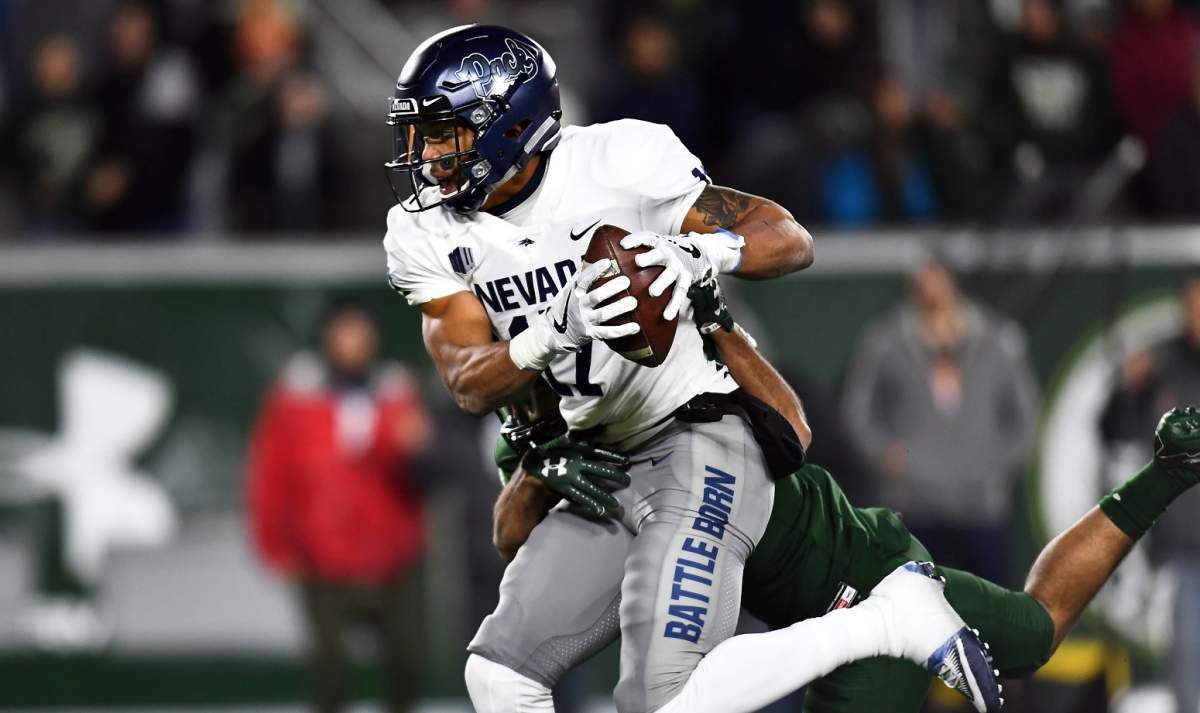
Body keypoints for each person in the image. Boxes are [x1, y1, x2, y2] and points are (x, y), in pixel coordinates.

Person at [381, 24, 1000, 713]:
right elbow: (467, 378)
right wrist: (555, 330)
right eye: (421, 136)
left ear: (511, 124)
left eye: (445, 133)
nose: (427, 155)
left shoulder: (619, 159)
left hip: (698, 429)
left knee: (661, 700)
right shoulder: (424, 232)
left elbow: (789, 238)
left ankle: (884, 622)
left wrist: (699, 255)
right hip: (601, 453)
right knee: (499, 676)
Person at [492, 277, 1200, 712]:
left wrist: (720, 330)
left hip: (857, 585)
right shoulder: (559, 427)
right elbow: (511, 536)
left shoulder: (700, 395)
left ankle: (1168, 472)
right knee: (1035, 630)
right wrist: (534, 471)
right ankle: (1172, 469)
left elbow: (792, 431)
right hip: (802, 604)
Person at [246, 302, 431, 713]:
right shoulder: (296, 398)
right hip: (322, 555)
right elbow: (271, 473)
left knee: (407, 662)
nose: (353, 343)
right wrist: (274, 543)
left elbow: (420, 475)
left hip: (391, 556)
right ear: (327, 338)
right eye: (344, 333)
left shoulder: (397, 393)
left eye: (361, 333)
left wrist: (415, 448)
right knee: (329, 671)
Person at [841, 260, 1040, 586]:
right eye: (922, 287)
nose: (931, 295)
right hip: (912, 504)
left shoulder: (998, 339)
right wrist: (886, 456)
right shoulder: (885, 341)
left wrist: (995, 466)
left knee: (991, 601)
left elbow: (1026, 417)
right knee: (913, 603)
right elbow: (857, 413)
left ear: (954, 285)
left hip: (981, 506)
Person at [1100, 277, 1200, 713]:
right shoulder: (1161, 368)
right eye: (1194, 306)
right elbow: (1113, 430)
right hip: (1182, 544)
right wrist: (1127, 388)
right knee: (1188, 653)